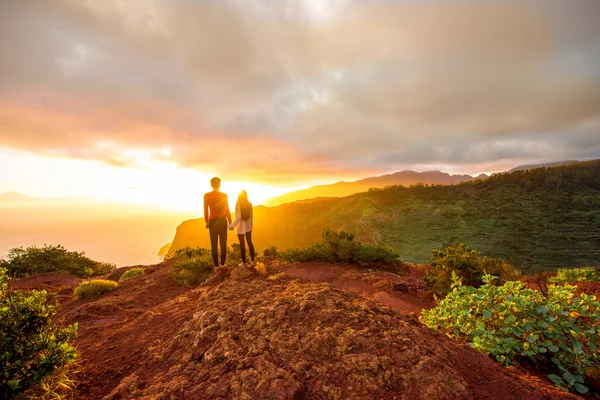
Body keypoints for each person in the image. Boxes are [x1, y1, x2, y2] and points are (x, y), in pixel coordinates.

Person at [204, 177, 232, 267]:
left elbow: (205, 210)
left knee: (214, 245)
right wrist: (230, 222)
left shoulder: (206, 195)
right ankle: (223, 265)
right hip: (222, 221)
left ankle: (216, 266)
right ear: (219, 184)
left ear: (211, 184)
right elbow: (227, 209)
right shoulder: (224, 195)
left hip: (212, 221)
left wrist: (207, 222)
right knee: (223, 244)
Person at [229, 190, 255, 265]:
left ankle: (244, 263)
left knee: (242, 245)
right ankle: (252, 261)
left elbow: (238, 218)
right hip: (248, 227)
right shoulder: (249, 204)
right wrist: (250, 226)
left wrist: (231, 226)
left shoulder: (238, 204)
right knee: (250, 243)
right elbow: (251, 216)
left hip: (240, 228)